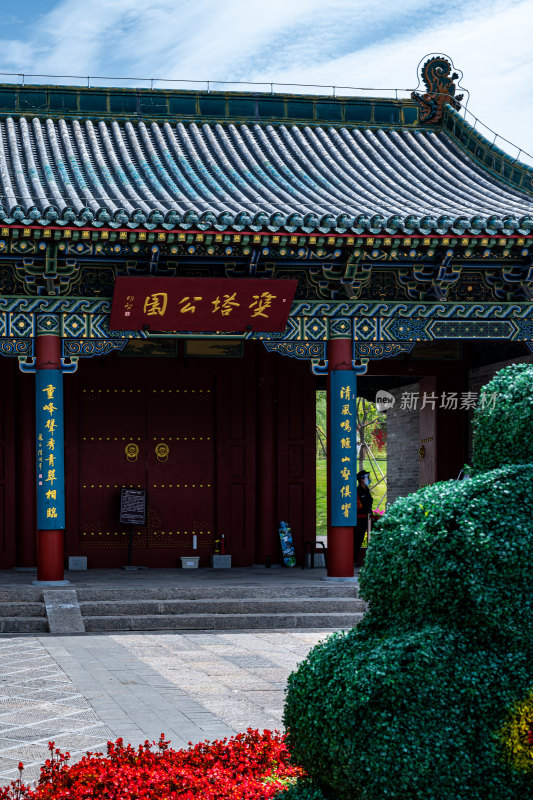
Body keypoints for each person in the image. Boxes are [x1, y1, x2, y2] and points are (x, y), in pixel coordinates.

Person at [355, 469, 373, 564]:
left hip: (368, 519)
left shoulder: (367, 490)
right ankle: (354, 560)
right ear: (361, 479)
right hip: (360, 519)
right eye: (367, 477)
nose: (368, 479)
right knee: (358, 540)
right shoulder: (357, 491)